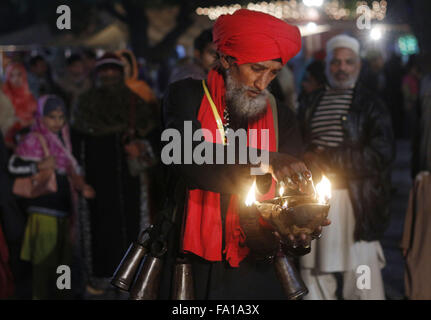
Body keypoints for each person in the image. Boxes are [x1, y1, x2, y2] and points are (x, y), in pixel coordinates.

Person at [155, 9, 330, 300]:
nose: (263, 83)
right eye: (256, 69)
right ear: (226, 60)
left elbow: (293, 188)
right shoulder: (187, 95)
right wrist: (267, 159)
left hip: (257, 256)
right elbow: (185, 155)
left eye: (273, 72)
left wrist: (301, 223)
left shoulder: (280, 114)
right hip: (195, 254)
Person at [297, 34, 395, 300]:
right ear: (327, 65)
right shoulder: (310, 102)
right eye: (336, 62)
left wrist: (328, 158)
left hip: (356, 200)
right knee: (313, 275)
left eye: (348, 62)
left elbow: (381, 154)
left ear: (358, 66)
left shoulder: (372, 104)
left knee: (362, 277)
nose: (342, 68)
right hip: (313, 200)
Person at [72, 53, 158, 296]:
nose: (108, 75)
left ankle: (131, 279)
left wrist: (141, 147)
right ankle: (101, 282)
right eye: (103, 70)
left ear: (122, 73)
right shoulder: (84, 104)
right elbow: (74, 145)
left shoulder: (136, 103)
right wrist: (77, 176)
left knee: (131, 231)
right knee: (100, 232)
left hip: (130, 182)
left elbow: (154, 139)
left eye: (113, 70)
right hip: (96, 183)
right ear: (96, 74)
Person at [8, 95, 95, 299]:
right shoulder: (33, 138)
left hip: (65, 212)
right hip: (43, 211)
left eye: (61, 116)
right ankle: (41, 296)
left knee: (63, 262)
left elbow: (72, 169)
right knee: (44, 262)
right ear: (41, 117)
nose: (57, 122)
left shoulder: (64, 140)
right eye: (52, 117)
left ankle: (60, 295)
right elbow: (13, 166)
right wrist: (37, 165)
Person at [2, 63, 37, 148]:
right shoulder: (4, 98)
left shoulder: (30, 96)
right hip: (8, 142)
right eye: (12, 76)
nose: (16, 79)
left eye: (19, 75)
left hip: (31, 138)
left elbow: (36, 117)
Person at [56, 54, 92, 119]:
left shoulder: (88, 82)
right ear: (69, 67)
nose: (80, 68)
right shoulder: (62, 83)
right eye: (77, 66)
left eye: (81, 66)